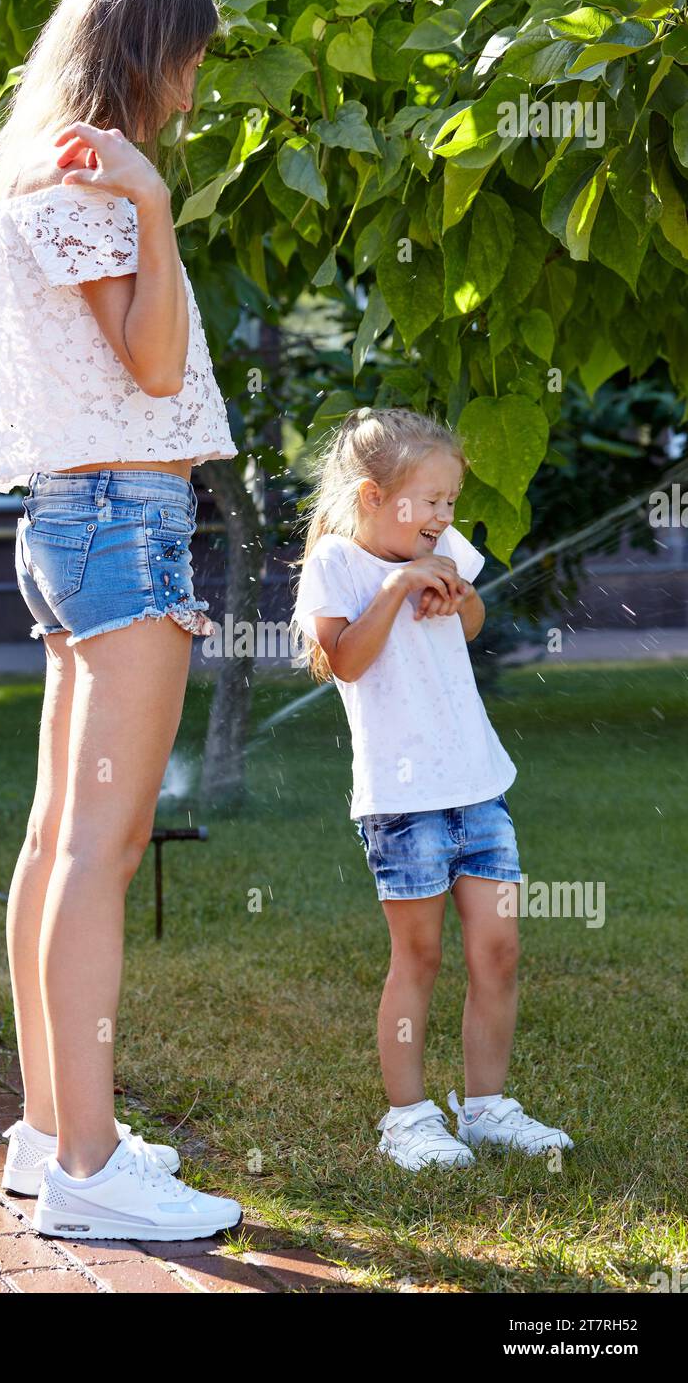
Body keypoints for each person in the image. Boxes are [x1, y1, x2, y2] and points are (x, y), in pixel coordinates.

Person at [0, 0, 241, 1240]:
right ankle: (85, 1166)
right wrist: (154, 203)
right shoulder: (93, 181)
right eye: (190, 56)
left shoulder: (47, 166)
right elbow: (149, 365)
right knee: (99, 853)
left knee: (53, 841)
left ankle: (45, 1130)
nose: (196, 82)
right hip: (122, 525)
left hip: (73, 521)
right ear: (148, 50)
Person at [292, 408, 574, 1170]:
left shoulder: (443, 546)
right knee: (416, 957)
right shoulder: (337, 565)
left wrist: (455, 594)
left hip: (479, 785)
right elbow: (343, 661)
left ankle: (484, 1108)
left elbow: (473, 618)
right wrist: (397, 588)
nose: (445, 517)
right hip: (400, 800)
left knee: (499, 950)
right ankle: (407, 1118)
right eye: (430, 501)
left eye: (451, 500)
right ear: (372, 497)